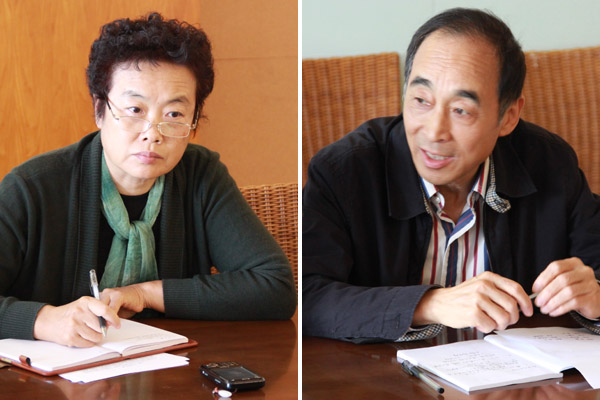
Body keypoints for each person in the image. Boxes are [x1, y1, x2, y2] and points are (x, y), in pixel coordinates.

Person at [303, 8, 600, 343]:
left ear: (508, 117)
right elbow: (310, 297)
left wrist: (595, 297)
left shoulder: (549, 164)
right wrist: (429, 304)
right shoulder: (344, 172)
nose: (434, 131)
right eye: (421, 100)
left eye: (460, 110)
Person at [0, 12, 296, 347]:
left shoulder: (201, 175)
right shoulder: (31, 188)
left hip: (172, 371)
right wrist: (42, 320)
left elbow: (275, 288)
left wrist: (145, 293)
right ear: (99, 110)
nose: (153, 134)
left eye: (174, 114)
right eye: (135, 110)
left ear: (194, 122)